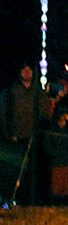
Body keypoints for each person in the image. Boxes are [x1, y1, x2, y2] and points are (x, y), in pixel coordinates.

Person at [1, 63, 51, 205]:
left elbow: (46, 114)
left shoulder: (38, 93)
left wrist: (40, 132)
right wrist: (9, 134)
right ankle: (13, 199)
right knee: (15, 171)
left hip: (34, 140)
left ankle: (31, 199)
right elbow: (3, 114)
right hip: (16, 139)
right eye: (24, 69)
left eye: (30, 70)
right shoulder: (11, 92)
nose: (27, 72)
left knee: (32, 173)